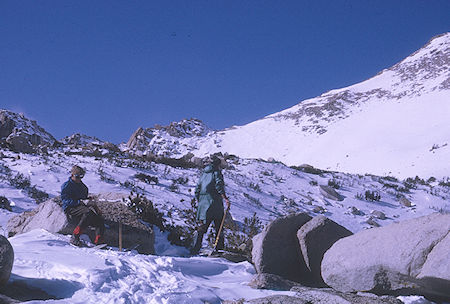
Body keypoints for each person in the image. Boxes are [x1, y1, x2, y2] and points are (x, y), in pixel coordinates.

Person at [190, 155, 230, 255]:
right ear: (217, 164)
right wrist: (225, 198)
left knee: (202, 227)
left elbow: (197, 190)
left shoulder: (203, 174)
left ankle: (195, 248)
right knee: (219, 225)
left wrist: (201, 201)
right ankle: (219, 248)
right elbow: (219, 185)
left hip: (203, 204)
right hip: (215, 203)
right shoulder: (217, 173)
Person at [61, 165, 105, 246]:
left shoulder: (83, 187)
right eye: (77, 176)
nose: (79, 179)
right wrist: (80, 202)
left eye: (81, 177)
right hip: (70, 208)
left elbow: (84, 198)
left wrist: (88, 199)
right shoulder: (67, 186)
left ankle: (99, 241)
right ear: (72, 175)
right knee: (88, 212)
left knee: (99, 219)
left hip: (81, 208)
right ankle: (75, 236)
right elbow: (65, 200)